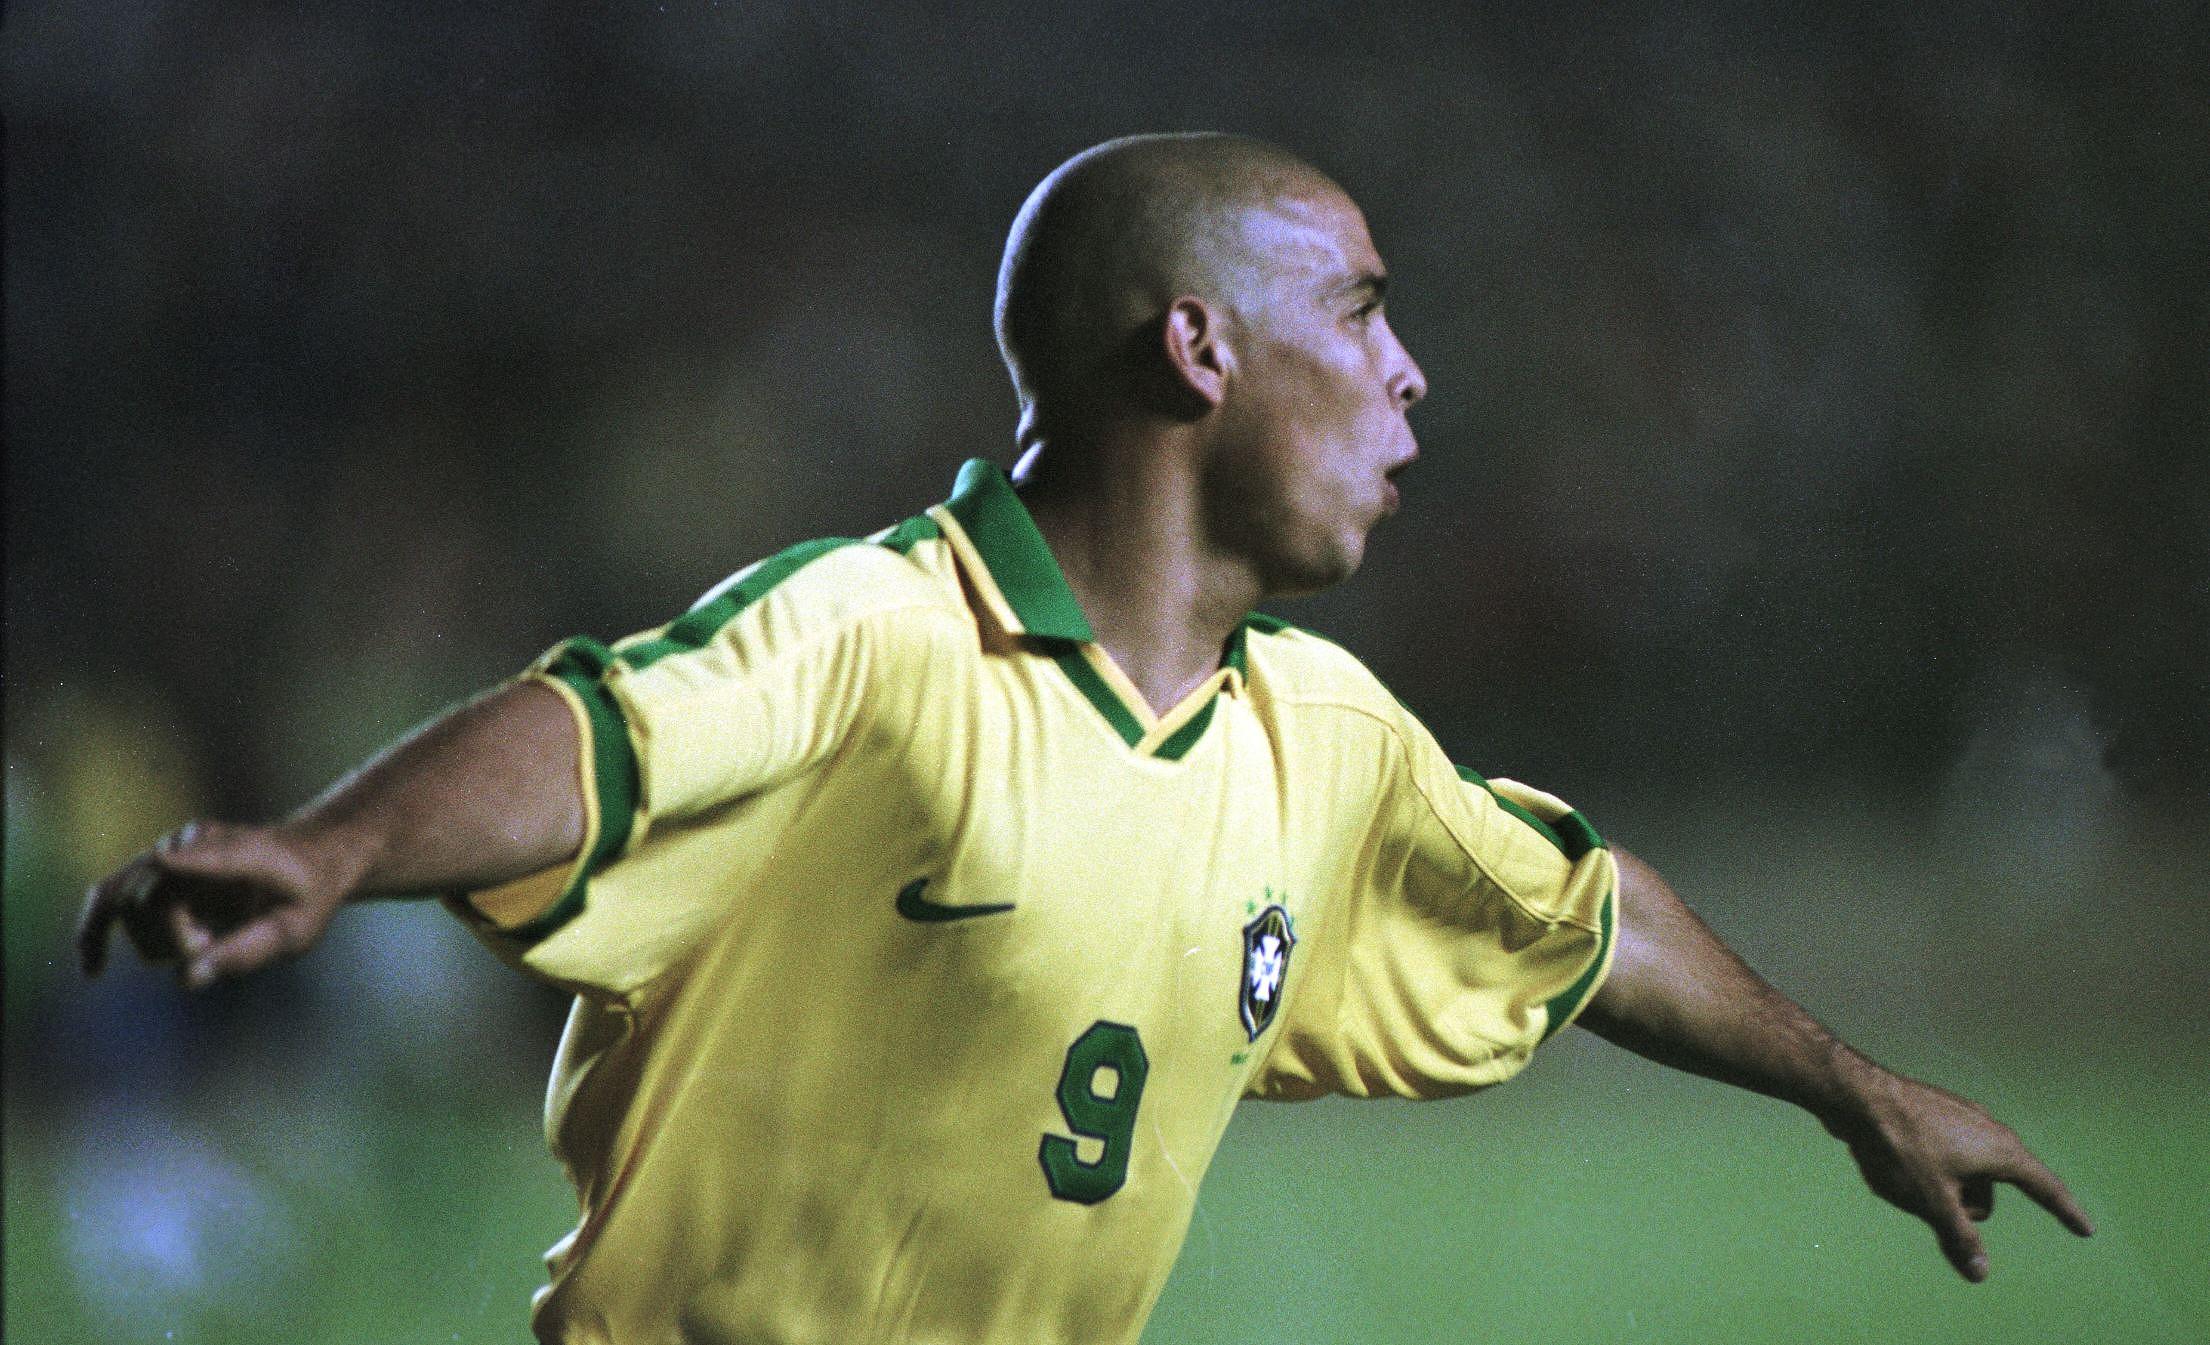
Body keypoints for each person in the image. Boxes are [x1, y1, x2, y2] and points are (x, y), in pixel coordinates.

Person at [77, 133, 2090, 1345]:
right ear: (1198, 348)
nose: (1410, 376)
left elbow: (1589, 923)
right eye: (1364, 312)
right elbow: (603, 739)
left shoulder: (1324, 741)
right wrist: (335, 853)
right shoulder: (880, 631)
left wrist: (1851, 1088)